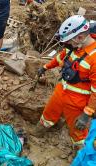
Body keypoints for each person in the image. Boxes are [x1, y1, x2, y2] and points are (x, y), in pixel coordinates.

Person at [34, 15, 96, 147]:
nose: (68, 45)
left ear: (80, 37)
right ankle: (37, 134)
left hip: (76, 103)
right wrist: (45, 67)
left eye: (69, 41)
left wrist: (87, 115)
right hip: (60, 92)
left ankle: (80, 159)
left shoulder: (94, 58)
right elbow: (60, 58)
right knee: (47, 116)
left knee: (78, 133)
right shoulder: (74, 47)